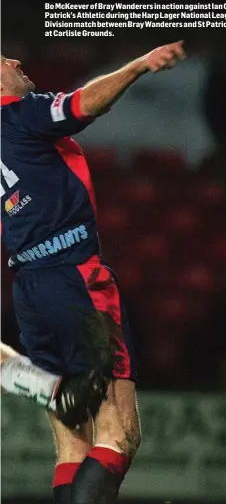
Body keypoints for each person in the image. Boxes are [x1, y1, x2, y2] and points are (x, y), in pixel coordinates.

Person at [1, 40, 186, 503]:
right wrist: (139, 66)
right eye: (2, 60)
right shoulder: (17, 114)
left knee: (72, 444)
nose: (14, 62)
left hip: (28, 288)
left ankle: (31, 380)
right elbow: (83, 104)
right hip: (73, 280)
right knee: (118, 434)